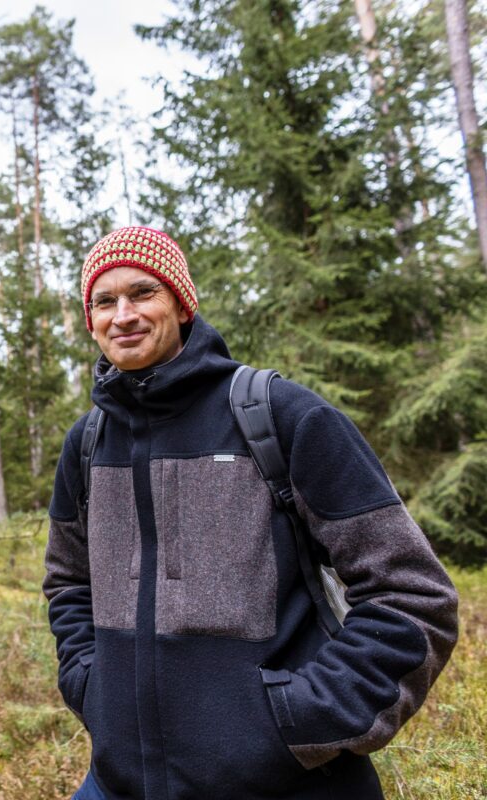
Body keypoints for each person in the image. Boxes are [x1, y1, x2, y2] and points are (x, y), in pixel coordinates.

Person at [43, 226, 459, 800]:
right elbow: (68, 582)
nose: (123, 315)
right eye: (103, 301)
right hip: (120, 783)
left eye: (143, 293)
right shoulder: (87, 443)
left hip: (285, 785)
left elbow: (413, 594)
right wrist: (90, 684)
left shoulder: (282, 416)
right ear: (90, 320)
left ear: (182, 305)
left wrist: (301, 721)